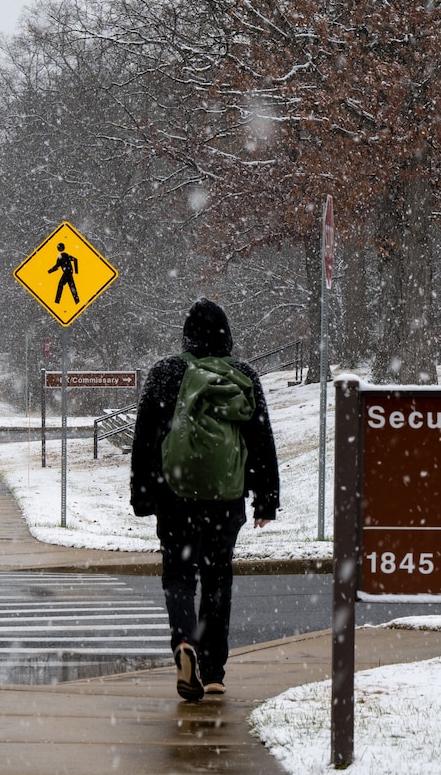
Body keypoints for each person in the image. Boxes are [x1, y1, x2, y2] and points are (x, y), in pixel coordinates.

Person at [129, 297, 280, 702]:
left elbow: (144, 438)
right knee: (217, 579)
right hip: (225, 497)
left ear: (187, 334)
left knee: (179, 575)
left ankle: (184, 643)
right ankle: (213, 671)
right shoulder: (243, 376)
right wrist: (266, 499)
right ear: (227, 336)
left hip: (175, 495)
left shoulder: (165, 373)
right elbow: (261, 441)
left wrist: (143, 494)